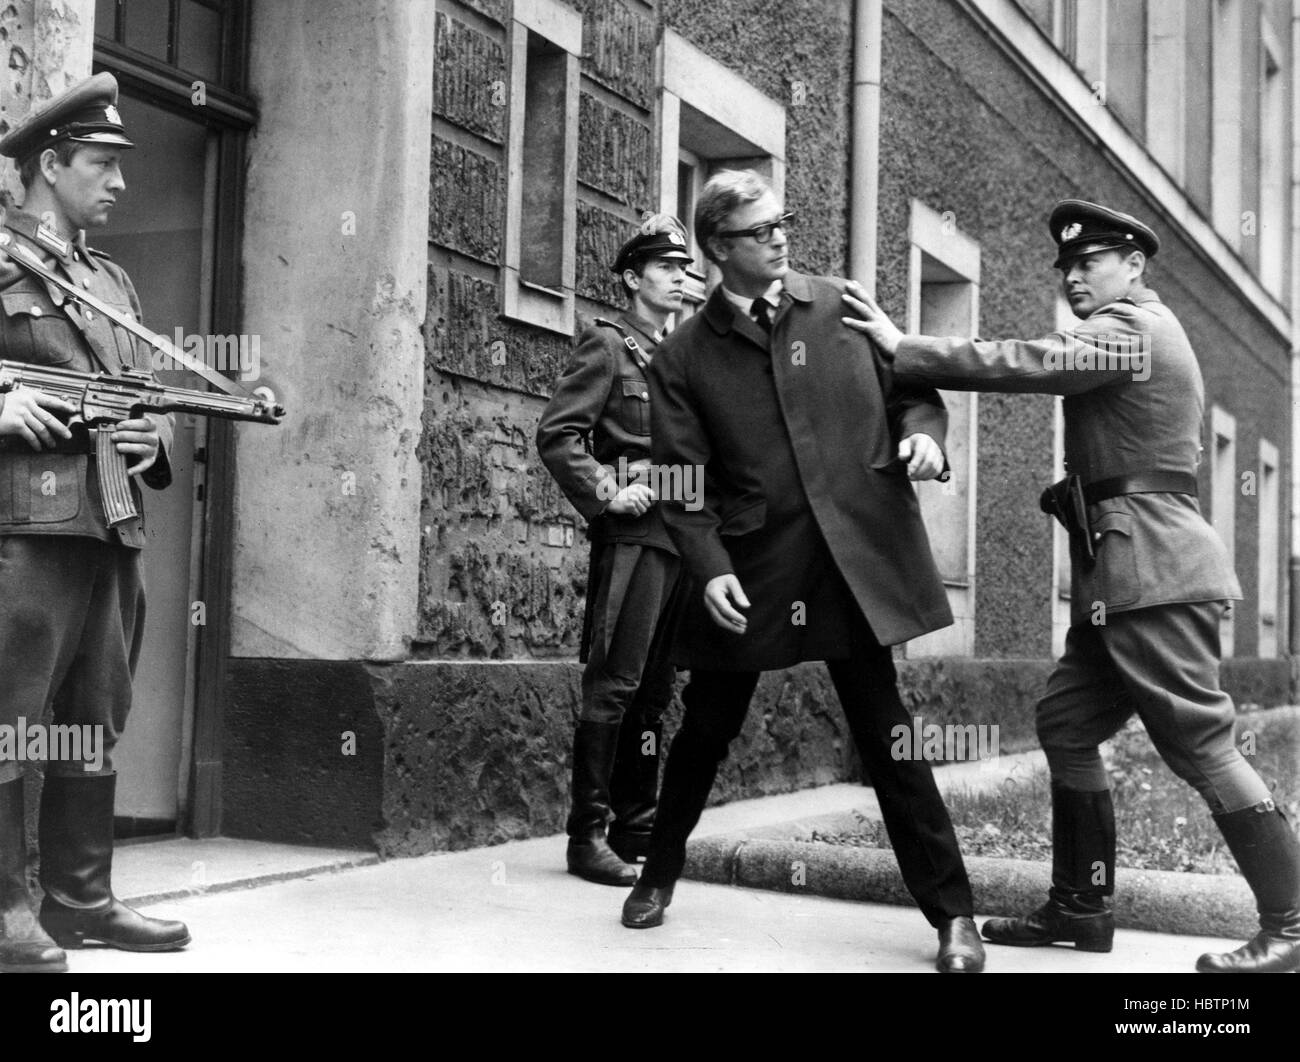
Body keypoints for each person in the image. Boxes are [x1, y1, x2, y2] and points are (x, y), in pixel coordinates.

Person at [842, 198, 1300, 974]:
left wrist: (904, 347)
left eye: (1089, 264)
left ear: (1134, 266)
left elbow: (1033, 361)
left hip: (1152, 574)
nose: (1074, 279)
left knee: (1200, 743)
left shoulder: (1134, 331)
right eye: (1067, 269)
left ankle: (1290, 926)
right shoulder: (1128, 332)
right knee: (1066, 721)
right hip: (1116, 573)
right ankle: (1082, 908)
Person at [619, 170, 985, 973]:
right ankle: (657, 873)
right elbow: (681, 479)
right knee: (705, 730)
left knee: (890, 737)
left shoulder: (841, 306)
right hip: (754, 570)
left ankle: (955, 918)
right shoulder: (683, 355)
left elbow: (915, 392)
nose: (780, 237)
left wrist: (926, 436)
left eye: (782, 221)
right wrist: (708, 566)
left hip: (852, 563)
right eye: (759, 230)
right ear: (718, 249)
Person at [0, 72, 190, 973]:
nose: (119, 183)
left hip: (112, 523)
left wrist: (156, 439)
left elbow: (145, 407)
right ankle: (4, 909)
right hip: (24, 534)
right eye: (102, 164)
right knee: (9, 718)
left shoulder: (110, 282)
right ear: (50, 163)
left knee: (93, 713)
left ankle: (80, 899)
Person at [536, 216, 693, 884]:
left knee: (655, 692)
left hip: (680, 539)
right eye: (666, 269)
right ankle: (586, 836)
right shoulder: (606, 346)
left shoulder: (682, 355)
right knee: (615, 683)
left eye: (685, 270)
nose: (680, 279)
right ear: (633, 278)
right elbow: (559, 433)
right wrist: (606, 489)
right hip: (632, 536)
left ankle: (637, 824)